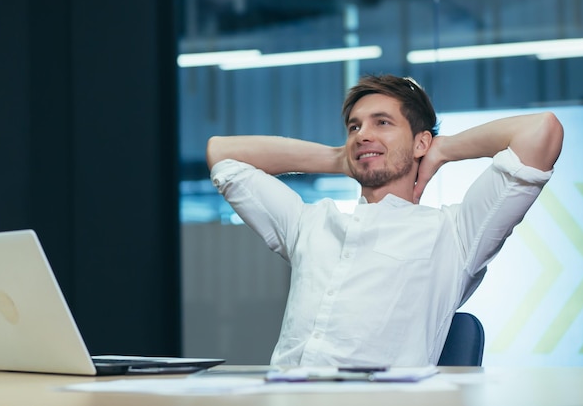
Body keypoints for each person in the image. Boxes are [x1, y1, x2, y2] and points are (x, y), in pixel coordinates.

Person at [206, 74, 563, 367]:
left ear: (420, 142)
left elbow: (541, 131)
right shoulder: (310, 223)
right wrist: (337, 158)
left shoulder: (455, 234)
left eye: (383, 123)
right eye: (354, 127)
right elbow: (222, 155)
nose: (362, 134)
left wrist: (443, 149)